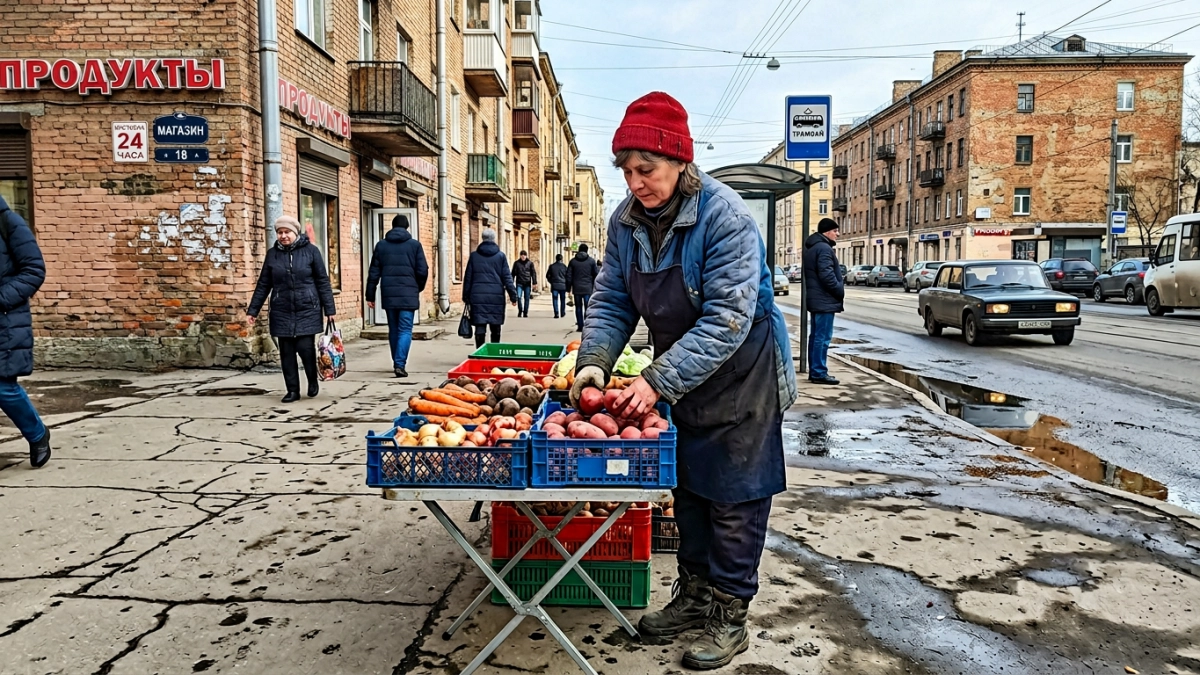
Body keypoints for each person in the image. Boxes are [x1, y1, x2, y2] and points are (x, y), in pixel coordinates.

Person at [570, 92, 796, 671]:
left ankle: (730, 613)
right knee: (689, 488)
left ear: (679, 164)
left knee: (735, 498)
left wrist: (656, 379)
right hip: (684, 372)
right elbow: (614, 296)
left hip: (743, 372)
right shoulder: (625, 222)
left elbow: (727, 319)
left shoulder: (726, 218)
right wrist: (594, 360)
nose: (635, 182)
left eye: (646, 170)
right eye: (626, 170)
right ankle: (694, 596)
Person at [248, 216, 336, 403]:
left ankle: (312, 380)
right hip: (282, 309)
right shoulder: (273, 254)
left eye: (287, 232)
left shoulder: (311, 251)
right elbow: (264, 283)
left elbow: (322, 281)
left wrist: (329, 308)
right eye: (280, 233)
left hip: (307, 308)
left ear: (295, 233)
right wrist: (253, 310)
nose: (283, 236)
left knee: (305, 349)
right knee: (286, 353)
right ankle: (293, 390)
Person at [0, 196, 51, 468]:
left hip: (4, 320)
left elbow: (33, 270)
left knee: (2, 387)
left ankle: (37, 434)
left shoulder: (7, 220)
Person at [365, 214, 428, 378]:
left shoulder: (381, 246)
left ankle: (397, 361)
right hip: (408, 294)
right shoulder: (415, 246)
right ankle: (399, 364)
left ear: (392, 227)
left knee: (393, 329)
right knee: (405, 329)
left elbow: (373, 272)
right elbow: (423, 270)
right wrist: (417, 287)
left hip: (389, 294)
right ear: (407, 227)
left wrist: (370, 295)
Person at [802, 218, 845, 386]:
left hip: (818, 299)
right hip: (824, 300)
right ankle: (819, 372)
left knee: (816, 336)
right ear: (827, 232)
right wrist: (839, 289)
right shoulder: (824, 249)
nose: (838, 234)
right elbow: (827, 276)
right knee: (823, 337)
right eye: (835, 231)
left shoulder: (814, 248)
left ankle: (816, 371)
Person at [462, 228, 517, 348]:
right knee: (495, 327)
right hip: (495, 297)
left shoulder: (474, 256)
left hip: (477, 296)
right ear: (493, 239)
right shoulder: (501, 256)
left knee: (480, 326)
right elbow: (507, 277)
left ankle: (480, 353)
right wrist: (513, 296)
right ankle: (494, 353)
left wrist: (466, 296)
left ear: (483, 238)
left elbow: (468, 277)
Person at [566, 243, 598, 332]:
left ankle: (580, 326)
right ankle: (587, 325)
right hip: (588, 288)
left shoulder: (573, 261)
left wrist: (568, 288)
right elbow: (596, 274)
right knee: (588, 307)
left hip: (577, 288)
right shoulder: (591, 261)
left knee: (578, 307)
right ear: (587, 250)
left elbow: (568, 275)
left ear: (579, 250)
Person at [511, 250, 536, 318]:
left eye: (524, 255)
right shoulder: (516, 263)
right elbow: (513, 273)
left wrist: (534, 282)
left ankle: (525, 312)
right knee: (519, 297)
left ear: (526, 256)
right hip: (519, 283)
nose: (523, 256)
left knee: (527, 298)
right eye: (522, 255)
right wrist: (511, 281)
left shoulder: (530, 263)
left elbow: (533, 273)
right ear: (520, 256)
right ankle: (520, 310)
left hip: (527, 283)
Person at [546, 253, 569, 319]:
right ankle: (562, 312)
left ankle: (556, 313)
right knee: (562, 299)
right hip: (562, 285)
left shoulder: (552, 266)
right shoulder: (564, 267)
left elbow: (547, 276)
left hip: (554, 285)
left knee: (555, 299)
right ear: (562, 259)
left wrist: (551, 282)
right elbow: (567, 276)